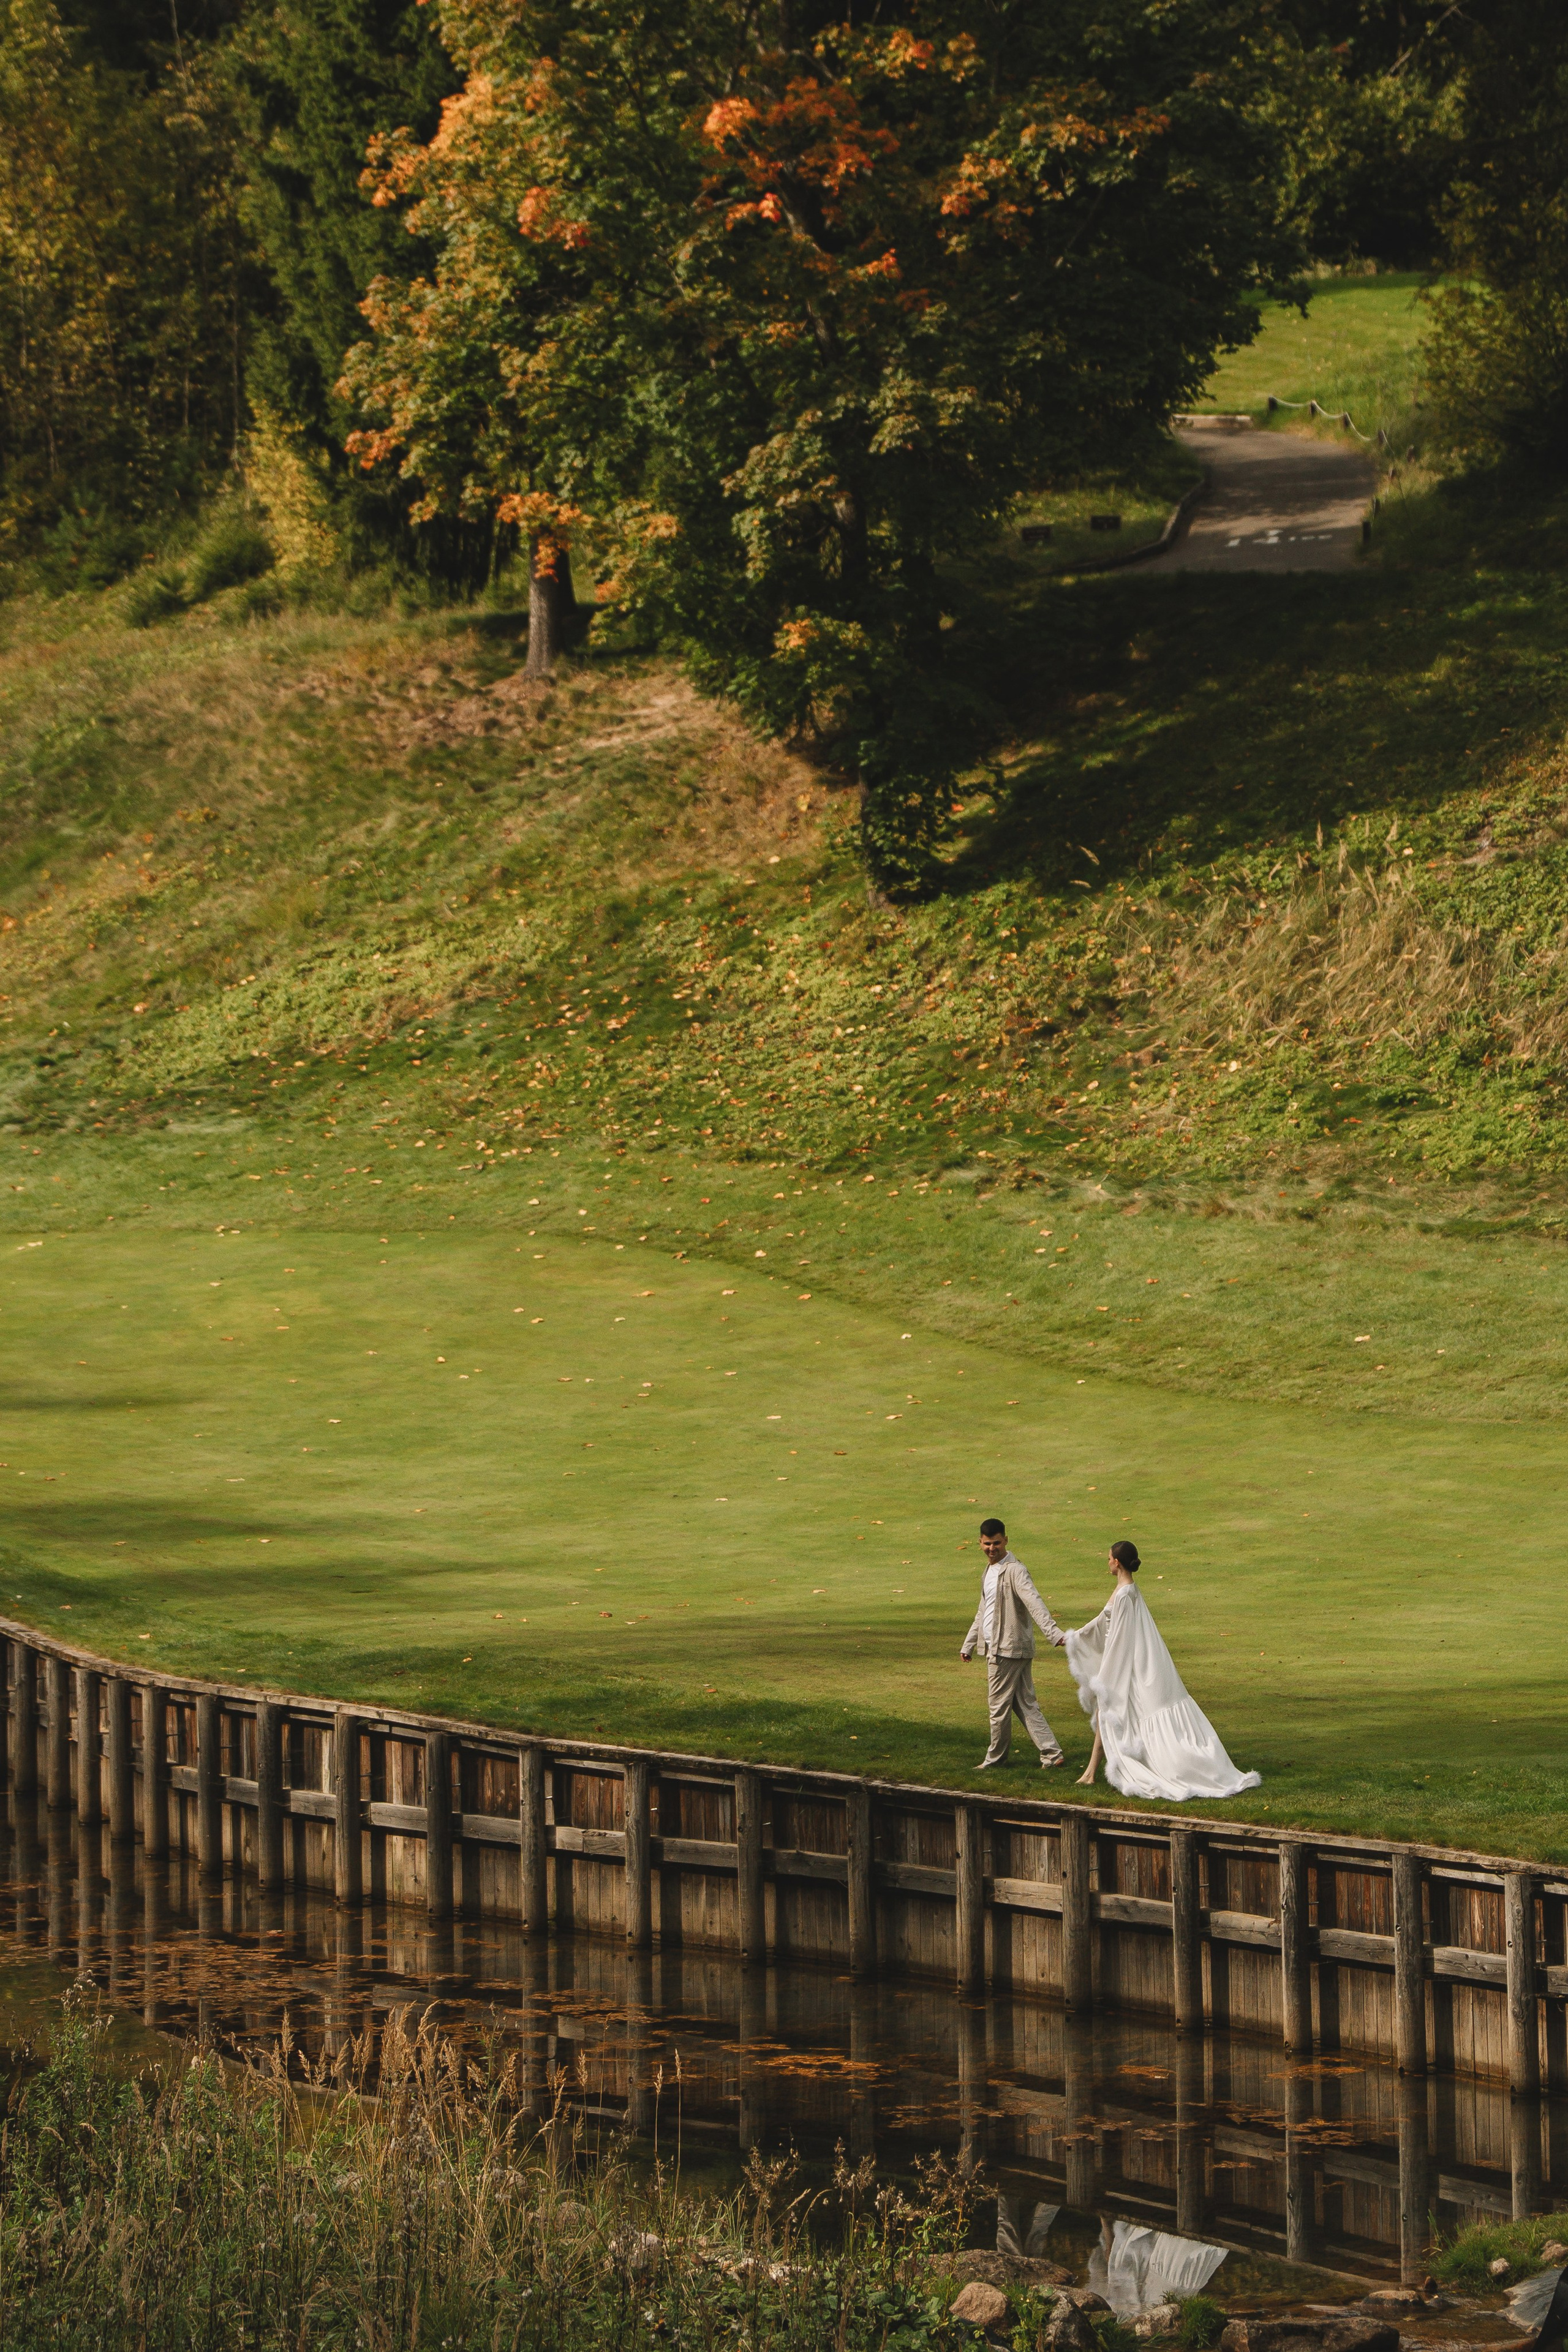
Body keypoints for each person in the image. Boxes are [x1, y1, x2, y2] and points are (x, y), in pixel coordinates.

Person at [1065, 1541, 1260, 1803]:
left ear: (1117, 1563)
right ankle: (1090, 1771)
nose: (1108, 1562)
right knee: (1105, 1709)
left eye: (1109, 1558)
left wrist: (1109, 1674)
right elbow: (1104, 1620)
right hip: (1127, 1661)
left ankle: (1092, 1772)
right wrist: (1077, 1638)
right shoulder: (1127, 1589)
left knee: (1108, 1707)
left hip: (1127, 1666)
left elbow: (1121, 1637)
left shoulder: (1125, 1594)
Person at [959, 1517, 1067, 1770]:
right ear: (980, 1543)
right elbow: (983, 1611)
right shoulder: (988, 1571)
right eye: (987, 1544)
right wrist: (969, 1643)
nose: (991, 1548)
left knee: (997, 1708)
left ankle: (995, 1759)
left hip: (1007, 1649)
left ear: (1006, 1540)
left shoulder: (1016, 1570)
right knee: (1025, 1703)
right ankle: (1052, 1754)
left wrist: (1054, 1634)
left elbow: (1034, 1602)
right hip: (1005, 1647)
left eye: (996, 1543)